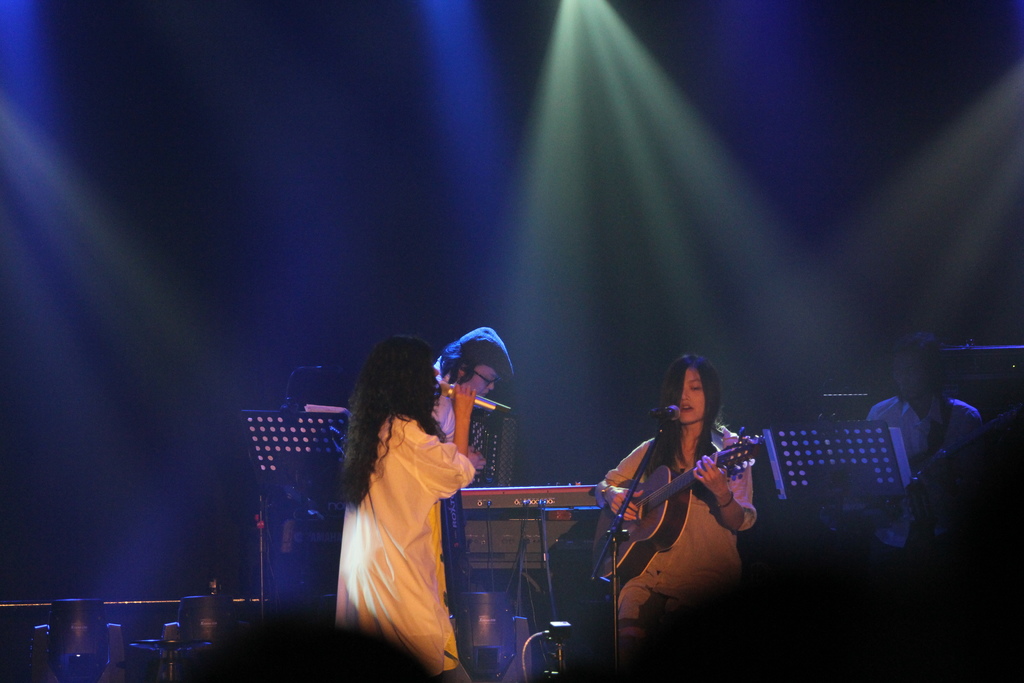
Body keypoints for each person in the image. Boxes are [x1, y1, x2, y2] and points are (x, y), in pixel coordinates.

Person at [336, 336, 480, 678]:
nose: (436, 375)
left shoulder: (377, 428)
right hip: (399, 580)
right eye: (428, 369)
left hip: (374, 578)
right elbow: (457, 473)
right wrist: (463, 415)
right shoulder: (405, 433)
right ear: (408, 378)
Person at [596, 354, 756, 662]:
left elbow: (741, 521)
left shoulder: (730, 449)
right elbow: (603, 484)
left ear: (711, 394)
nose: (684, 397)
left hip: (705, 578)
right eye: (678, 389)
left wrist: (721, 492)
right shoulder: (654, 448)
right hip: (649, 573)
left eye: (695, 388)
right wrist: (611, 494)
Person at [867, 332, 982, 548]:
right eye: (898, 370)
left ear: (931, 371)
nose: (902, 378)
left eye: (911, 369)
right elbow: (870, 475)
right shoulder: (880, 414)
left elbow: (974, 486)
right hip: (890, 534)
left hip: (945, 533)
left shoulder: (964, 416)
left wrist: (948, 482)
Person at [433, 327, 513, 441]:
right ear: (463, 368)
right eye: (488, 379)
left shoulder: (450, 391)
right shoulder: (438, 403)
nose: (491, 387)